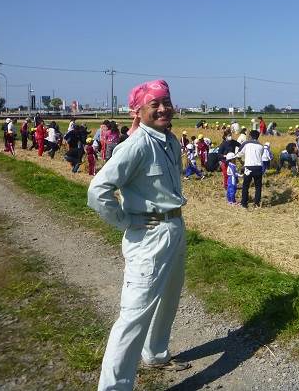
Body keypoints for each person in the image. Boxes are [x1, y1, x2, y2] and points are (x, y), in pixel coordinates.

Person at [87, 79, 191, 390]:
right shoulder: (135, 146)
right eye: (154, 104)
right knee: (134, 315)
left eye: (166, 102)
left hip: (174, 227)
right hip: (148, 235)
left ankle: (156, 352)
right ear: (139, 110)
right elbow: (98, 191)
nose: (163, 108)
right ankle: (115, 386)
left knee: (168, 299)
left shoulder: (169, 141)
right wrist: (125, 221)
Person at [236, 130, 264, 209]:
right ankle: (257, 204)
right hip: (258, 167)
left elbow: (239, 153)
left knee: (246, 185)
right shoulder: (261, 146)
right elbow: (260, 155)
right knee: (258, 186)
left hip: (248, 167)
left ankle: (244, 203)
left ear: (250, 136)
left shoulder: (246, 143)